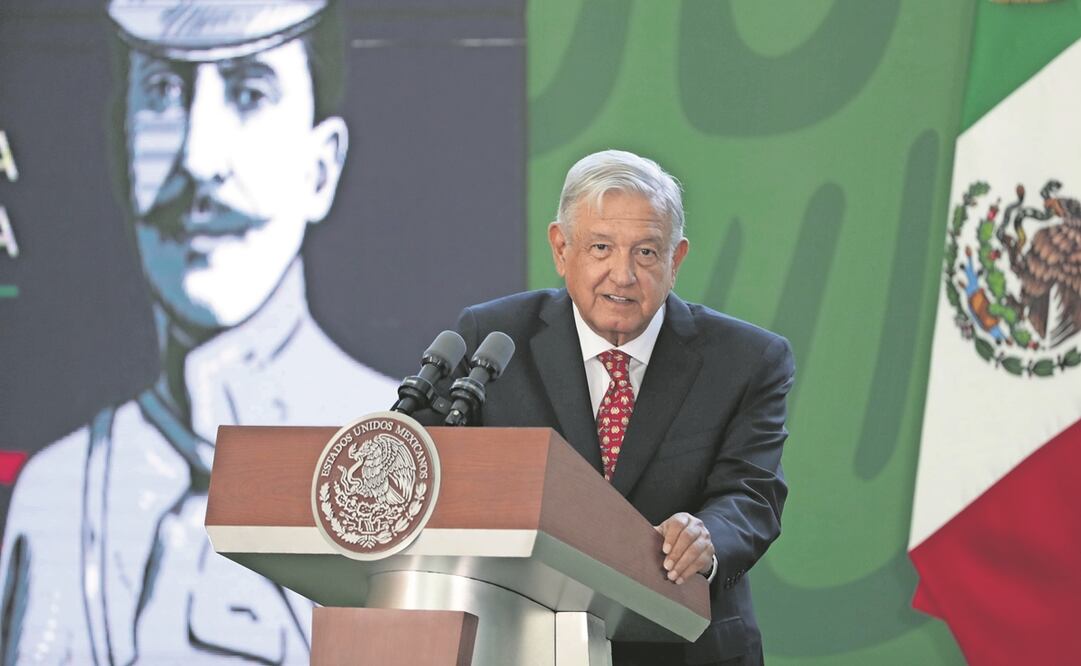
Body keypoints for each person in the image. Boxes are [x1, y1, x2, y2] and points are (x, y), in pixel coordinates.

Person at [0, 2, 398, 663]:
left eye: (248, 92)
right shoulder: (59, 500)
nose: (197, 157)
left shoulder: (424, 462)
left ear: (320, 168)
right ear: (121, 151)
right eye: (162, 92)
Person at [448, 149, 794, 665]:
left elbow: (752, 493)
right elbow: (438, 467)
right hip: (524, 642)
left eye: (647, 253)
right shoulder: (493, 340)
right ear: (562, 249)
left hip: (688, 647)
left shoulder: (748, 360)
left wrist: (707, 537)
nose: (623, 274)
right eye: (601, 247)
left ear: (676, 260)